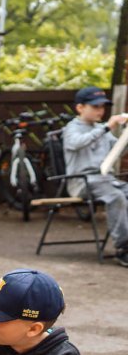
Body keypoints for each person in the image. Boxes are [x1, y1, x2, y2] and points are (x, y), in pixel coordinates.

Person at [61, 86, 128, 267]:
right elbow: (77, 143)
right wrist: (107, 127)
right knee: (116, 197)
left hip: (106, 180)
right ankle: (123, 248)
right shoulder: (71, 129)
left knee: (124, 191)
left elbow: (119, 149)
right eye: (95, 107)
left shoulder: (101, 130)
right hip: (82, 181)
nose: (100, 111)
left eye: (102, 107)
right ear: (80, 108)